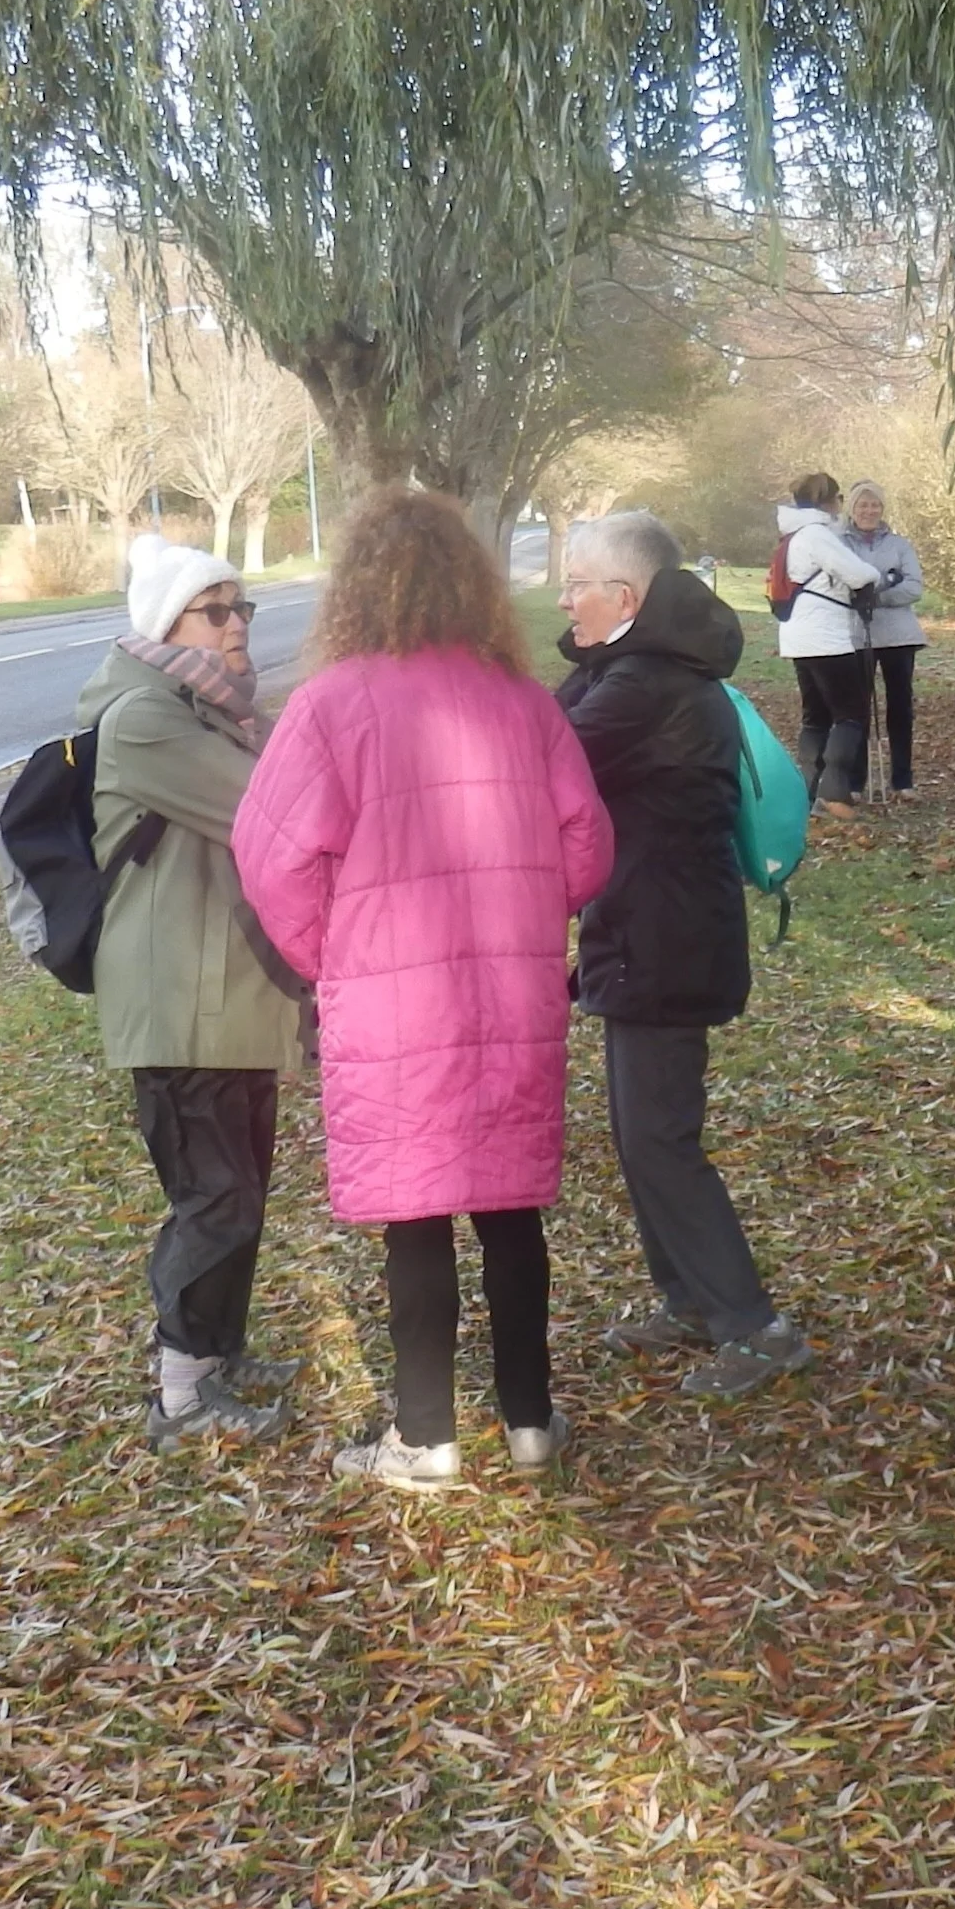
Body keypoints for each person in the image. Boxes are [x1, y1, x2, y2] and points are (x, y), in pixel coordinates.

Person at [232, 490, 613, 1486]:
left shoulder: (329, 705)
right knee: (508, 1204)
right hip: (510, 987)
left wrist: (337, 954)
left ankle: (427, 1435)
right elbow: (587, 846)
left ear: (357, 588)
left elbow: (268, 857)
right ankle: (530, 1422)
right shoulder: (524, 702)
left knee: (417, 1209)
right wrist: (527, 921)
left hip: (393, 999)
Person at [554, 510, 820, 1397]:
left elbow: (531, 760)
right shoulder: (632, 670)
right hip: (646, 936)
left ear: (623, 598)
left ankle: (755, 1325)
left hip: (664, 944)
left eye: (575, 584)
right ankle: (693, 1302)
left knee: (662, 1140)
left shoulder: (646, 685)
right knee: (643, 1138)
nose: (564, 600)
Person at [85, 537, 306, 1447]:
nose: (237, 627)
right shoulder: (142, 718)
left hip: (229, 998)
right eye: (216, 611)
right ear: (163, 624)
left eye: (242, 609)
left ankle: (219, 1353)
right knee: (213, 1199)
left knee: (239, 1192)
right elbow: (271, 809)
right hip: (178, 1005)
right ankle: (179, 1393)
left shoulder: (205, 709)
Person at [772, 471, 886, 806]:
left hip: (798, 635)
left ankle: (807, 791)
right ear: (827, 501)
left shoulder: (792, 535)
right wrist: (880, 576)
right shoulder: (816, 535)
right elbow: (860, 573)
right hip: (825, 636)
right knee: (851, 713)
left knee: (816, 715)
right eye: (837, 499)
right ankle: (835, 792)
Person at [842, 480, 932, 794]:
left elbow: (913, 587)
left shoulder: (899, 544)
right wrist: (882, 584)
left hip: (898, 636)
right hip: (856, 635)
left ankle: (902, 780)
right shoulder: (839, 543)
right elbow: (839, 584)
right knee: (857, 708)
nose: (869, 511)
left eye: (875, 505)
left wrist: (875, 595)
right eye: (863, 505)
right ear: (852, 509)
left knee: (900, 707)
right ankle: (855, 782)